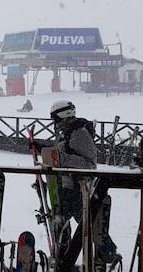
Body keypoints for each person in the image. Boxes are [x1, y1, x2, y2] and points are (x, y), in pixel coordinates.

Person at [32, 100, 118, 261]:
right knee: (71, 221)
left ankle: (105, 251)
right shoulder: (68, 131)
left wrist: (59, 158)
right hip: (68, 185)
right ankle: (70, 252)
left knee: (84, 222)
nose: (54, 123)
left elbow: (89, 163)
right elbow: (62, 151)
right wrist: (42, 148)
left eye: (55, 118)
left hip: (79, 188)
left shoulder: (79, 133)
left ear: (62, 115)